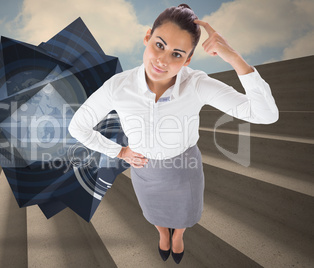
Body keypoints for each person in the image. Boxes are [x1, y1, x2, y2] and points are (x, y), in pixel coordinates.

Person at [68, 4, 279, 264]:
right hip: (144, 169)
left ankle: (178, 236)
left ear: (188, 59)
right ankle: (163, 235)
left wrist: (233, 56)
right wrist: (120, 152)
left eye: (177, 54)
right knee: (154, 212)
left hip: (184, 169)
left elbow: (265, 115)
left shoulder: (197, 84)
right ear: (147, 37)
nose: (163, 60)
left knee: (185, 214)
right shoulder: (118, 87)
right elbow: (77, 126)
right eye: (160, 45)